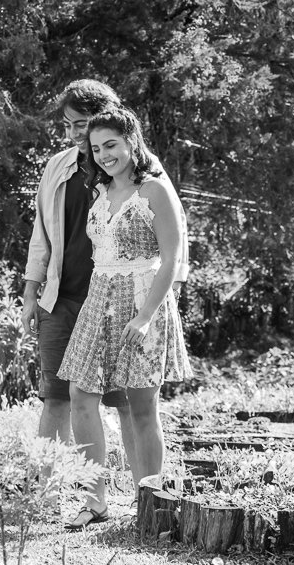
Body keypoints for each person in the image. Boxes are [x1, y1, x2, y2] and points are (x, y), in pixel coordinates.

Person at [56, 105, 192, 528]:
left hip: (141, 300)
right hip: (99, 299)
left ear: (132, 140)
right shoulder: (100, 192)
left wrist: (147, 315)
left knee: (140, 407)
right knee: (80, 395)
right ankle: (94, 500)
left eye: (110, 144)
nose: (103, 154)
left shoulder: (155, 190)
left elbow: (171, 258)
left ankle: (151, 503)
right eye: (96, 148)